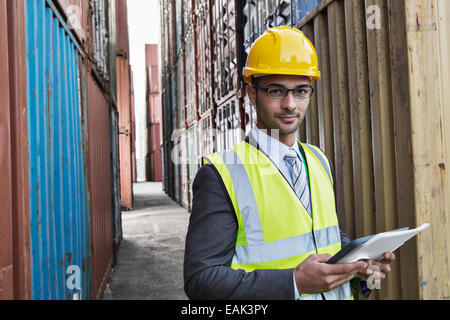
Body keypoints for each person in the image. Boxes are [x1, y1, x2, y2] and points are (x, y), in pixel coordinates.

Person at [183, 26, 394, 300]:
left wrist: (360, 266)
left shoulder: (319, 160)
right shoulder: (221, 174)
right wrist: (294, 283)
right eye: (276, 91)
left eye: (301, 91)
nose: (290, 104)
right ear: (251, 94)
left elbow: (321, 236)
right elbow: (202, 281)